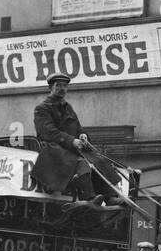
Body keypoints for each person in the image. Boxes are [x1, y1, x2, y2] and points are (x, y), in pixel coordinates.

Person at [30, 73, 109, 206]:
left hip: (70, 147)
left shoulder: (68, 108)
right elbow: (49, 133)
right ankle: (89, 198)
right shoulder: (42, 109)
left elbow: (78, 128)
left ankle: (109, 197)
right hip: (53, 149)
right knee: (80, 162)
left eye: (65, 86)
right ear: (50, 87)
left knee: (99, 159)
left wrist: (83, 136)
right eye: (58, 85)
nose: (62, 88)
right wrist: (72, 141)